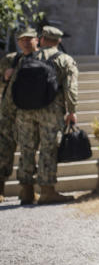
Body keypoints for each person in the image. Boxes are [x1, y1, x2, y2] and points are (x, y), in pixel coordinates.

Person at [11, 26, 76, 205]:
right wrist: (72, 110)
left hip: (24, 110)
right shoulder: (64, 59)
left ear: (41, 39)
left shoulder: (27, 58)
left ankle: (26, 191)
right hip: (51, 110)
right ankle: (47, 191)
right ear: (59, 41)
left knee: (26, 148)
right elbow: (71, 87)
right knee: (48, 148)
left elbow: (14, 86)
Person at [0, 29, 37, 203]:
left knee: (28, 151)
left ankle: (27, 190)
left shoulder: (42, 59)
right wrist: (5, 76)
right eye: (22, 40)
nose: (26, 42)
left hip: (29, 113)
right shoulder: (11, 59)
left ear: (37, 40)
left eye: (29, 39)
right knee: (3, 149)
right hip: (8, 113)